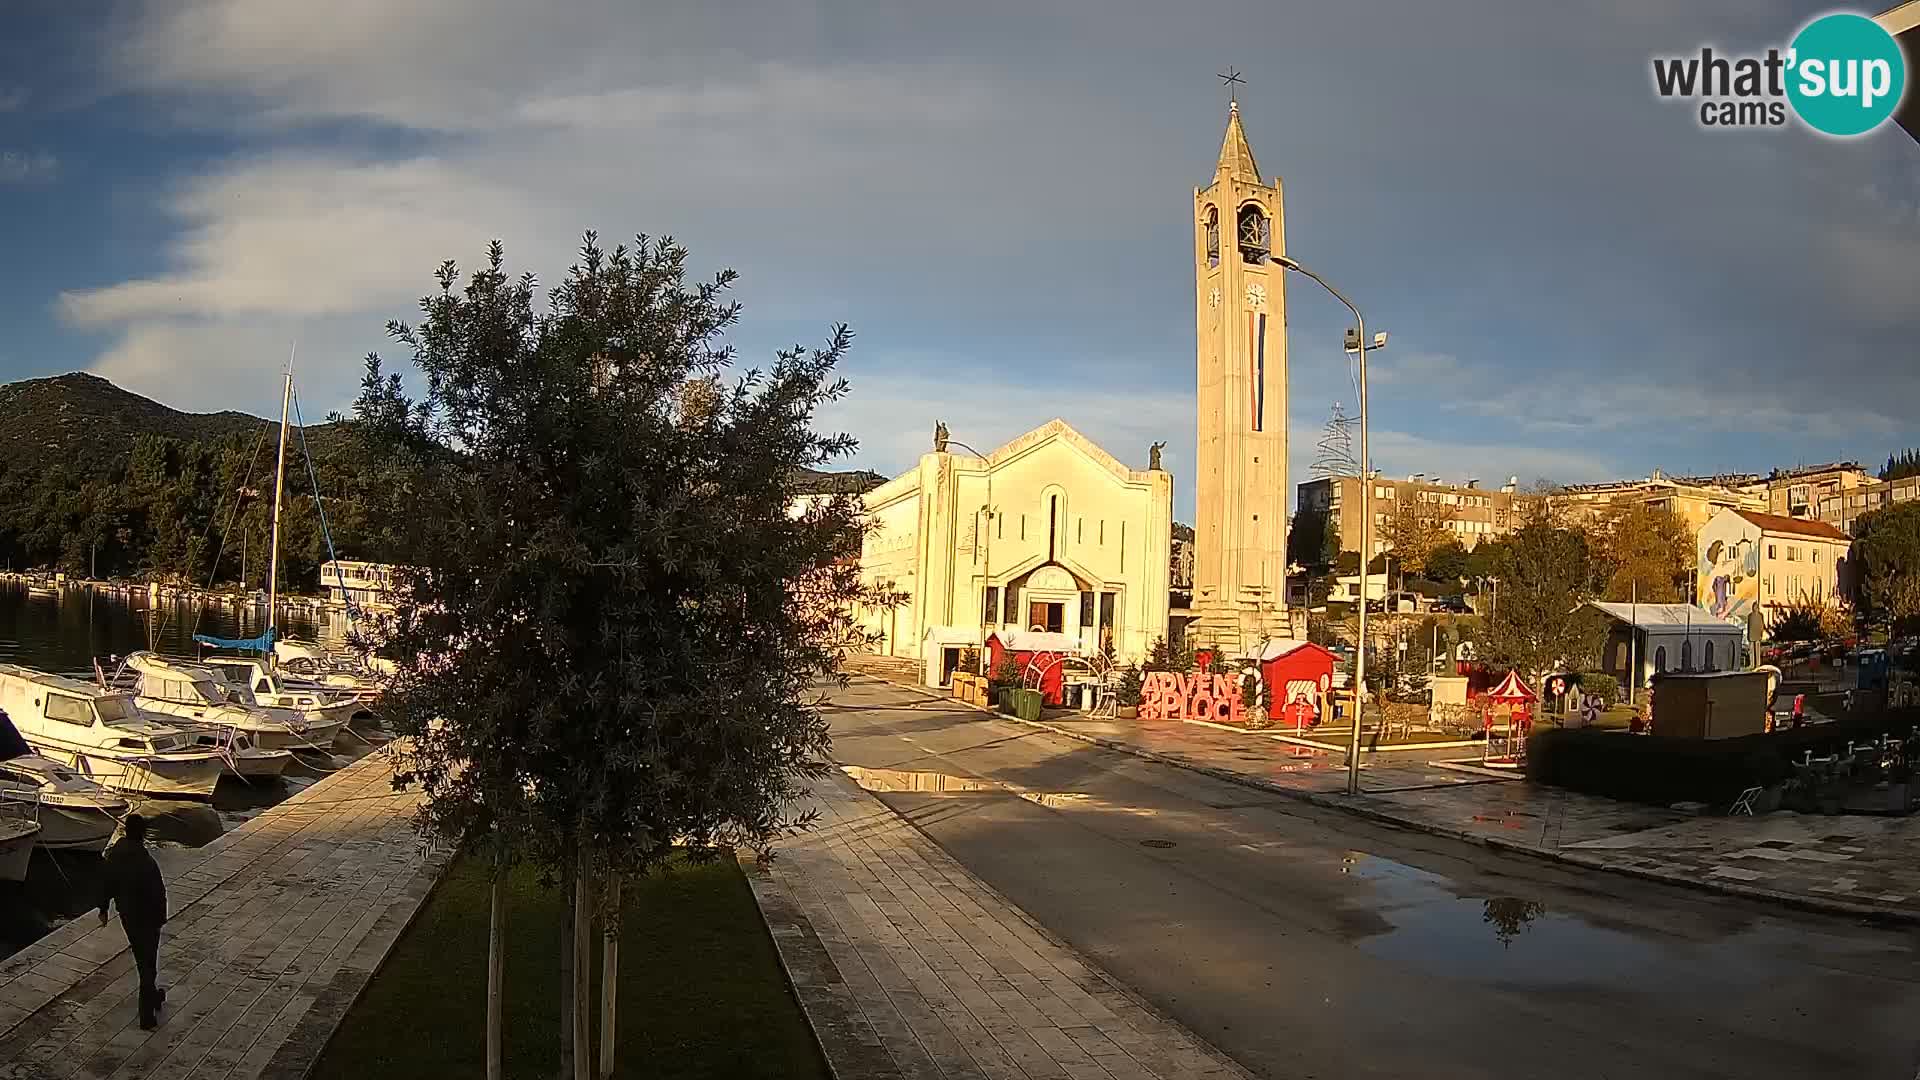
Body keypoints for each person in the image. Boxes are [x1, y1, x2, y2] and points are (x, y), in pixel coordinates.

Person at [98, 813, 168, 1029]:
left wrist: (103, 908)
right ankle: (146, 1013)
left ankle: (153, 995)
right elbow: (158, 893)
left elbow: (106, 883)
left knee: (143, 958)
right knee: (147, 963)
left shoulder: (115, 855)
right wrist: (160, 919)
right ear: (143, 834)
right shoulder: (146, 862)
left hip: (128, 915)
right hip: (147, 918)